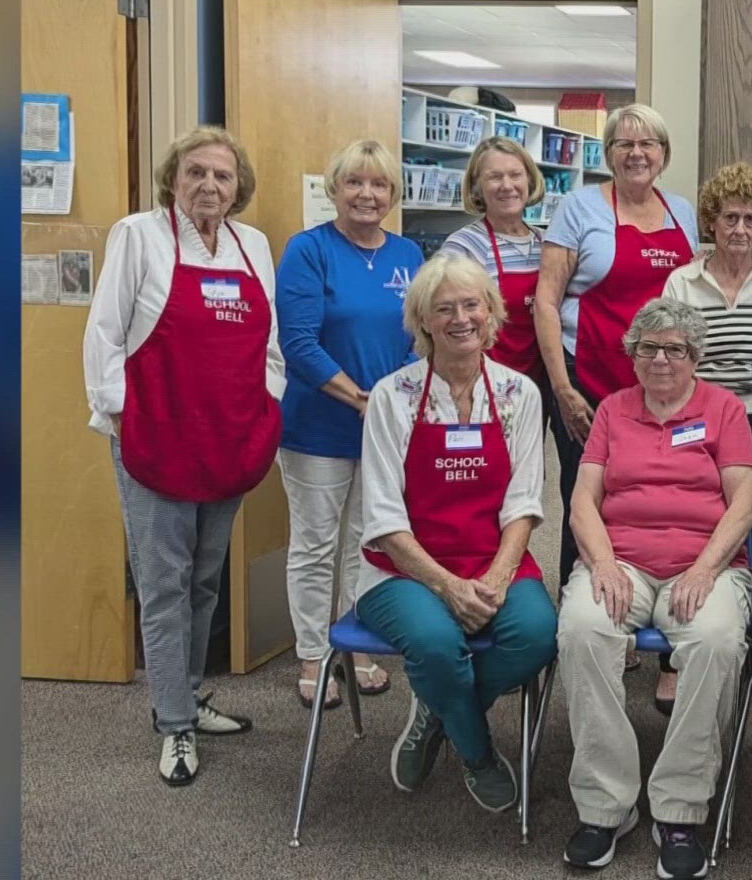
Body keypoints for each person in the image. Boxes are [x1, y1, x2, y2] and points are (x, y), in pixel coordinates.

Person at [82, 126, 279, 785]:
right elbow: (105, 334)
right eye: (196, 172)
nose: (209, 186)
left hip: (228, 439)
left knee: (204, 580)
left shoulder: (253, 246)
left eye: (222, 176)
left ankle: (188, 693)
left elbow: (270, 346)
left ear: (238, 187)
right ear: (174, 178)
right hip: (156, 438)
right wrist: (119, 414)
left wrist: (268, 406)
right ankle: (174, 726)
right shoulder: (138, 235)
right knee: (164, 584)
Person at [556, 299, 752, 880]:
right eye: (649, 348)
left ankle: (680, 809)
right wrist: (601, 564)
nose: (662, 359)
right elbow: (582, 502)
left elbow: (746, 502)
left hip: (706, 564)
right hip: (623, 563)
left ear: (696, 357)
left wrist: (704, 569)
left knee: (716, 641)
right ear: (633, 356)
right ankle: (605, 805)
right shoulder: (613, 412)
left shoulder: (723, 409)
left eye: (675, 349)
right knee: (582, 628)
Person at [352, 253, 555, 814]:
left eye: (472, 305)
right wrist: (447, 587)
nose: (460, 318)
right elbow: (385, 517)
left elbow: (524, 503)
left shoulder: (520, 394)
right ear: (423, 321)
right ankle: (478, 752)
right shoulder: (392, 397)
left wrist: (493, 577)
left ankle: (439, 709)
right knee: (437, 643)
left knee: (538, 632)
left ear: (492, 315)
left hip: (493, 559)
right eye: (444, 309)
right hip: (402, 570)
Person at [275, 140, 425, 709]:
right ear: (334, 189)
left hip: (386, 428)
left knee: (373, 542)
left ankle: (360, 647)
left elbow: (420, 335)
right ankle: (314, 657)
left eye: (379, 184)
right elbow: (299, 342)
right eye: (355, 183)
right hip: (318, 426)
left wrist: (388, 403)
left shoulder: (409, 252)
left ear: (393, 193)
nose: (367, 194)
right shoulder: (308, 250)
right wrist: (360, 398)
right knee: (314, 545)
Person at [535, 104, 699, 584]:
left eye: (647, 143)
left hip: (660, 381)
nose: (636, 153)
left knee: (650, 494)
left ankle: (641, 603)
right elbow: (546, 302)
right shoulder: (580, 208)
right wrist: (562, 390)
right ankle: (578, 606)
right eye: (624, 143)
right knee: (586, 492)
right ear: (608, 153)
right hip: (586, 374)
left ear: (663, 154)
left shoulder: (681, 211)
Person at [661, 161, 752, 714]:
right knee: (696, 524)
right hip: (704, 422)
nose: (740, 229)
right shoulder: (682, 281)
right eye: (728, 218)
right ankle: (680, 654)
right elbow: (675, 360)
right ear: (711, 223)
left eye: (750, 218)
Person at [441, 136, 548, 382]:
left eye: (515, 175)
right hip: (484, 383)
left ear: (529, 180)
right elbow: (446, 321)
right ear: (477, 187)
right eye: (494, 177)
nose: (507, 185)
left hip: (542, 382)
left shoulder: (548, 243)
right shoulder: (463, 246)